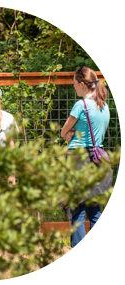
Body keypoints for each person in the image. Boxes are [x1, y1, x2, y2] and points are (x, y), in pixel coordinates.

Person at [58, 66, 111, 248]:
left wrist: (68, 133)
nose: (73, 87)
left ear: (82, 84)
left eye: (74, 84)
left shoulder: (81, 105)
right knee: (94, 209)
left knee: (76, 209)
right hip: (98, 160)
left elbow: (63, 131)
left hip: (78, 159)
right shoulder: (104, 106)